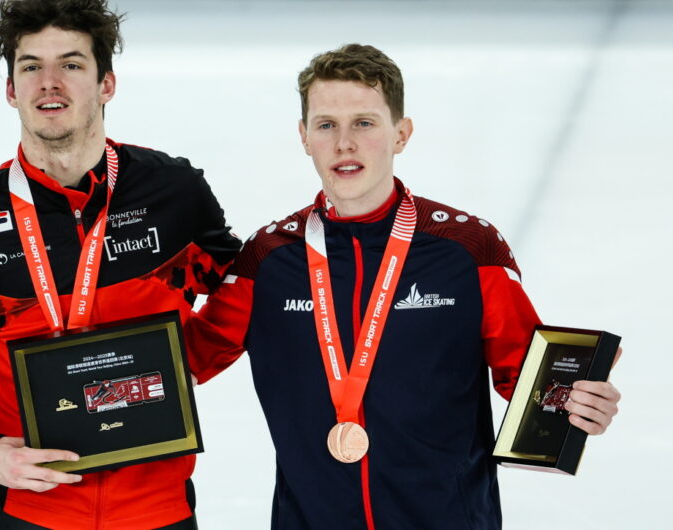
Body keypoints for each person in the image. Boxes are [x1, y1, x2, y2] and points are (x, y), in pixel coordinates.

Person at [186, 43, 622, 529]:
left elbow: (527, 377)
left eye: (365, 123)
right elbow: (187, 361)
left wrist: (578, 402)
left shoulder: (468, 249)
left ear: (401, 133)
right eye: (326, 124)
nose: (344, 143)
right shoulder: (268, 260)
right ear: (304, 136)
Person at [0, 0, 241, 528]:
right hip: (34, 513)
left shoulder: (175, 194)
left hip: (159, 508)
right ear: (10, 90)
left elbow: (239, 284)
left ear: (106, 84)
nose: (50, 82)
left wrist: (190, 358)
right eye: (31, 67)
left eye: (71, 65)